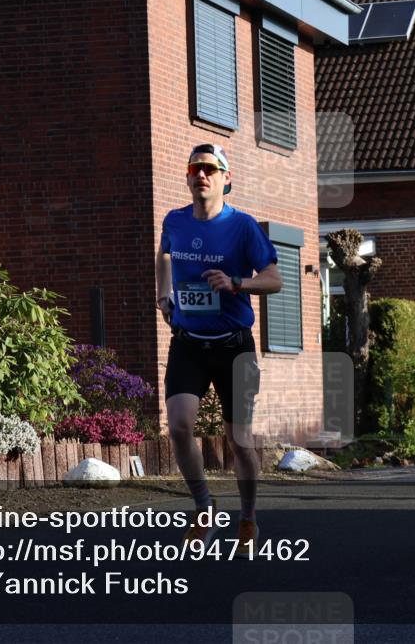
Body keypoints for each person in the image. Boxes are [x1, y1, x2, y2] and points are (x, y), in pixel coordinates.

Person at [155, 143, 282, 556]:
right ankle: (204, 508)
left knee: (239, 440)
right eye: (195, 168)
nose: (201, 175)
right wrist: (163, 298)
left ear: (226, 178)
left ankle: (247, 517)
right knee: (178, 424)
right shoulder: (174, 220)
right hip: (189, 343)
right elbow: (165, 257)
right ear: (188, 177)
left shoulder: (243, 227)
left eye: (210, 168)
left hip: (234, 347)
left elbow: (275, 279)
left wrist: (236, 283)